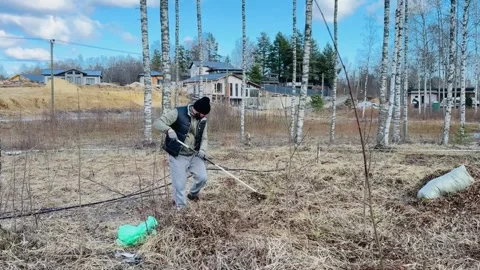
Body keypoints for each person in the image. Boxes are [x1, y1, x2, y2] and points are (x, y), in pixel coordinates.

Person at [153, 96, 210, 209]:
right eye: (204, 114)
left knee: (202, 178)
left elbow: (204, 138)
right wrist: (168, 130)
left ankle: (192, 194)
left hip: (194, 154)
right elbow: (157, 123)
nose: (205, 117)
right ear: (197, 110)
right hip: (178, 154)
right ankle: (181, 209)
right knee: (179, 185)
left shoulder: (202, 120)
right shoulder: (178, 112)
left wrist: (203, 150)